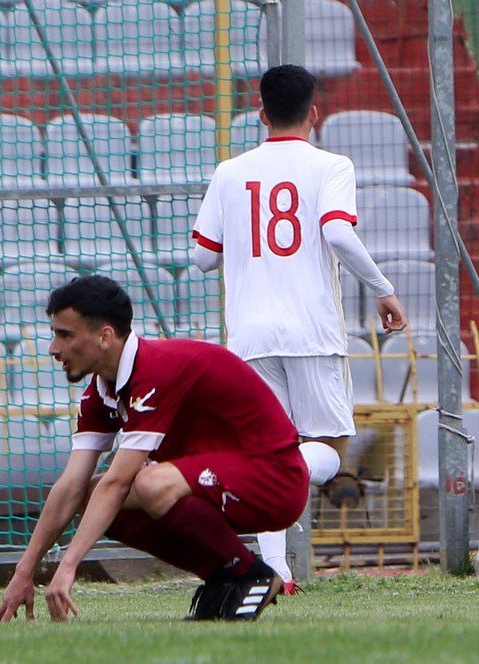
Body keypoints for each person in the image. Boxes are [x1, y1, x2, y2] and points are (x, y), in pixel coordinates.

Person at [0, 276, 339, 622]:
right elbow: (70, 487)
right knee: (89, 494)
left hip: (275, 482)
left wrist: (68, 566)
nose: (53, 348)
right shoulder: (101, 391)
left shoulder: (154, 371)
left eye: (65, 335)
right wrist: (24, 573)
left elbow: (120, 482)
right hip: (221, 479)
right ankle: (223, 577)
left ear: (105, 337)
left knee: (146, 484)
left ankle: (251, 574)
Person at [192, 64, 408, 593]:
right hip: (310, 329)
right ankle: (242, 484)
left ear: (260, 113)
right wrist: (382, 287)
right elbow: (336, 231)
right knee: (328, 450)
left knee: (267, 447)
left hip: (249, 333)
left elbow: (201, 258)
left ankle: (274, 571)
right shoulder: (331, 165)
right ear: (314, 112)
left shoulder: (229, 171)